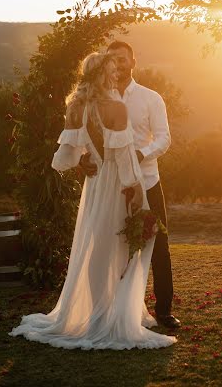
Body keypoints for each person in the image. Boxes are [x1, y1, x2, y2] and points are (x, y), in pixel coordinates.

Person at [9, 52, 177, 350]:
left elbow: (64, 158)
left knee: (97, 245)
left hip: (95, 185)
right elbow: (125, 161)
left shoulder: (75, 107)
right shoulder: (117, 108)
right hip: (117, 184)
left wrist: (84, 162)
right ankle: (108, 317)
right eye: (111, 71)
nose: (115, 75)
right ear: (101, 74)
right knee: (122, 247)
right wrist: (136, 190)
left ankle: (101, 311)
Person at [79, 41, 181, 329]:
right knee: (109, 245)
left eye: (123, 59)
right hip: (110, 187)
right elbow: (89, 139)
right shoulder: (98, 99)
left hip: (147, 181)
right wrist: (83, 160)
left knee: (158, 245)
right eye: (112, 60)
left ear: (133, 62)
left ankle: (163, 311)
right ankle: (111, 310)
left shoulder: (151, 98)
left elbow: (164, 138)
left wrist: (140, 154)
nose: (118, 64)